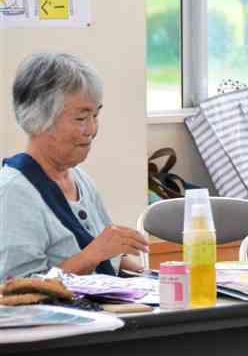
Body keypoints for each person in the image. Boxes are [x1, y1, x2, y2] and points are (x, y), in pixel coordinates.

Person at [0, 53, 148, 280]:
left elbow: (110, 258)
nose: (92, 129)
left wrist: (152, 277)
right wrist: (90, 256)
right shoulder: (14, 192)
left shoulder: (79, 179)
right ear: (40, 119)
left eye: (95, 115)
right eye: (81, 119)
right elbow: (15, 290)